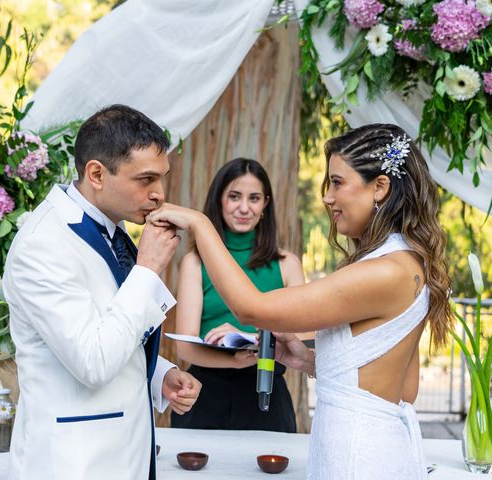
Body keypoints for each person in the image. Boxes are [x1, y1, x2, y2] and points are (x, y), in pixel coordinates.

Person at [149, 123, 452, 480]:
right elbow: (401, 388)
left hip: (358, 458)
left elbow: (251, 309)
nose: (327, 197)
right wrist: (305, 359)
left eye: (337, 183)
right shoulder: (404, 262)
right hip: (371, 449)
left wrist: (200, 224)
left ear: (380, 188)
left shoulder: (384, 272)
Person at [3, 104, 202, 480]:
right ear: (96, 173)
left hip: (125, 453)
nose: (160, 194)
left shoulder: (112, 229)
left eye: (162, 178)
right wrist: (147, 270)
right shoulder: (42, 244)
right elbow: (92, 361)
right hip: (74, 464)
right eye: (145, 180)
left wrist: (159, 374)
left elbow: (103, 325)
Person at [171, 158, 303, 432]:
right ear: (219, 200)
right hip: (204, 395)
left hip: (267, 396)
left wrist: (253, 342)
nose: (244, 208)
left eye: (254, 198)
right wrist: (231, 360)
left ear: (265, 204)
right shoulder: (195, 263)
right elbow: (184, 347)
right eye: (234, 197)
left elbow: (304, 339)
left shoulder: (287, 264)